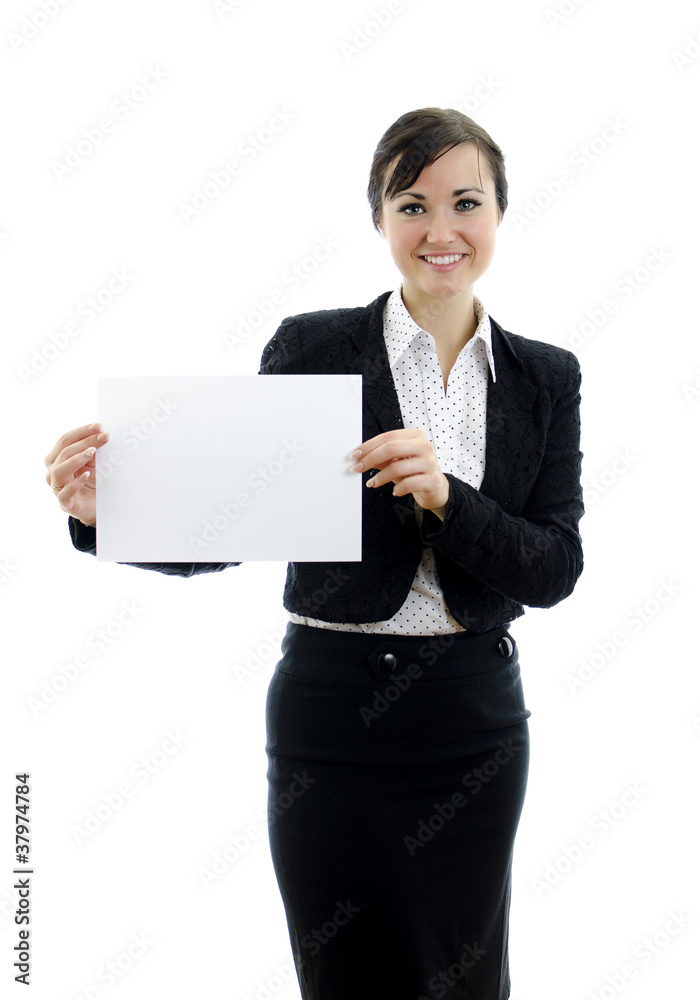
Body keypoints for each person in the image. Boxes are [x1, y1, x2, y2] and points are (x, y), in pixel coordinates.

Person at [45, 107, 584, 999]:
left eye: (465, 202)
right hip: (333, 718)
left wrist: (451, 497)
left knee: (465, 977)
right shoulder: (316, 346)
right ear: (378, 218)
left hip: (474, 722)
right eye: (410, 204)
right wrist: (113, 515)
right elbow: (234, 525)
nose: (439, 230)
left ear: (499, 213)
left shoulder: (545, 375)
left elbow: (555, 567)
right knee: (343, 975)